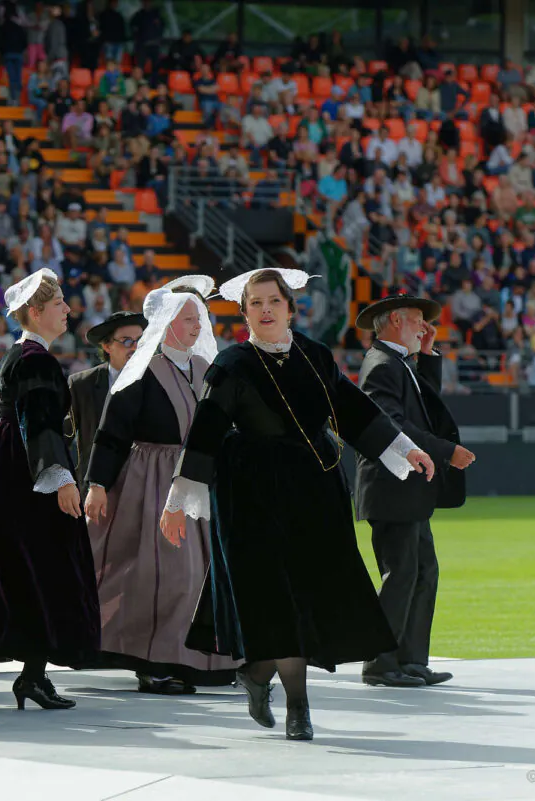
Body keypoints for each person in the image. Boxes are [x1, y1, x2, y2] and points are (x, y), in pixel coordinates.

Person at [159, 268, 436, 741]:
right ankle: (298, 709)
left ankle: (256, 673)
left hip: (315, 494)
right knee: (279, 602)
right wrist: (177, 502)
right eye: (256, 303)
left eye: (274, 301)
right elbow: (204, 430)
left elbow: (354, 410)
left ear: (290, 306)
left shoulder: (315, 356)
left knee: (308, 600)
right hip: (252, 497)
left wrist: (404, 447)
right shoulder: (232, 364)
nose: (265, 310)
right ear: (244, 312)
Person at [0, 268, 101, 709]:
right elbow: (39, 421)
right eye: (57, 304)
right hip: (25, 470)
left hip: (11, 463)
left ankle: (24, 670)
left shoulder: (24, 355)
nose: (67, 310)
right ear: (34, 311)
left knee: (23, 566)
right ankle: (21, 670)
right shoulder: (36, 360)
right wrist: (61, 478)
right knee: (39, 565)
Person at [83, 276, 239, 695]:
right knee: (170, 574)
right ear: (167, 322)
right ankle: (154, 661)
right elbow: (111, 432)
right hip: (152, 479)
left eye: (199, 318)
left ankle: (203, 658)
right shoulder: (142, 368)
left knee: (205, 573)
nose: (196, 326)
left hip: (200, 481)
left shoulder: (207, 368)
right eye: (188, 318)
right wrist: (97, 483)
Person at [354, 295, 472, 688]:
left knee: (422, 572)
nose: (424, 326)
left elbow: (424, 409)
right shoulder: (381, 365)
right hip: (392, 488)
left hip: (406, 490)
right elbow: (394, 423)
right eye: (417, 320)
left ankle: (410, 660)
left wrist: (426, 354)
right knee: (402, 572)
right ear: (392, 322)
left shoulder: (398, 363)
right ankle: (380, 663)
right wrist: (445, 451)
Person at [66, 310, 147, 490]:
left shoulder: (158, 380)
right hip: (94, 489)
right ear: (107, 346)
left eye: (140, 341)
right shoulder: (81, 384)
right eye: (126, 341)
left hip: (144, 487)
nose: (135, 347)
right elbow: (63, 436)